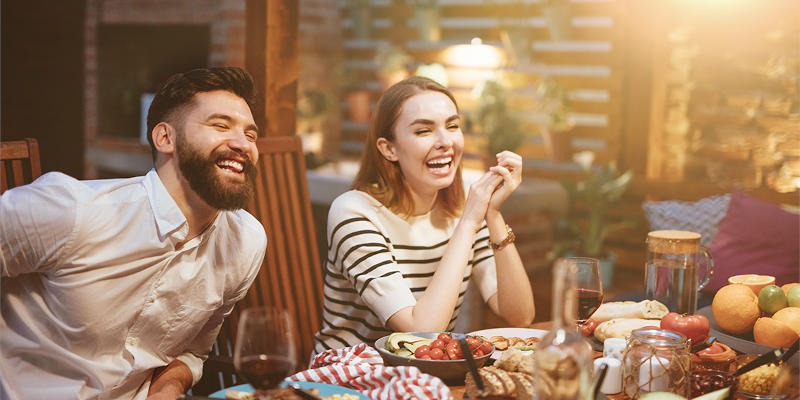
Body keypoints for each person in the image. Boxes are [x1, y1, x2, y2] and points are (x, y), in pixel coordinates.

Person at [0, 67, 267, 400]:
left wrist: (169, 385)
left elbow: (193, 352)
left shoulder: (246, 242)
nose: (243, 144)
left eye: (251, 134)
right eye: (220, 125)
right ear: (165, 138)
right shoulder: (73, 211)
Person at [314, 76, 535, 352]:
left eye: (452, 126)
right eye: (423, 131)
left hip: (424, 375)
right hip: (351, 376)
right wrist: (468, 223)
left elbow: (520, 315)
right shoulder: (354, 212)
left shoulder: (464, 208)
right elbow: (423, 331)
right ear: (389, 148)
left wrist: (493, 213)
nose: (446, 141)